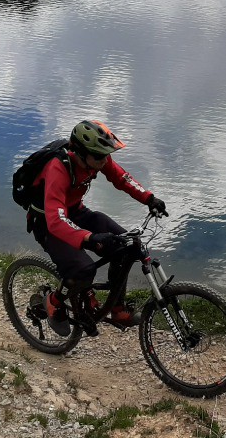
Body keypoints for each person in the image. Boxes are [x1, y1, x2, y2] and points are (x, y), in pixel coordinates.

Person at [29, 119, 167, 337]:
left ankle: (117, 309)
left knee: (126, 245)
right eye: (99, 156)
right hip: (47, 222)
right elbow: (56, 219)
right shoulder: (59, 168)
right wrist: (89, 238)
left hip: (75, 212)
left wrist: (149, 199)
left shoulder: (96, 158)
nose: (105, 160)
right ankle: (53, 302)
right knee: (83, 269)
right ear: (82, 154)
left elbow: (121, 178)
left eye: (106, 155)